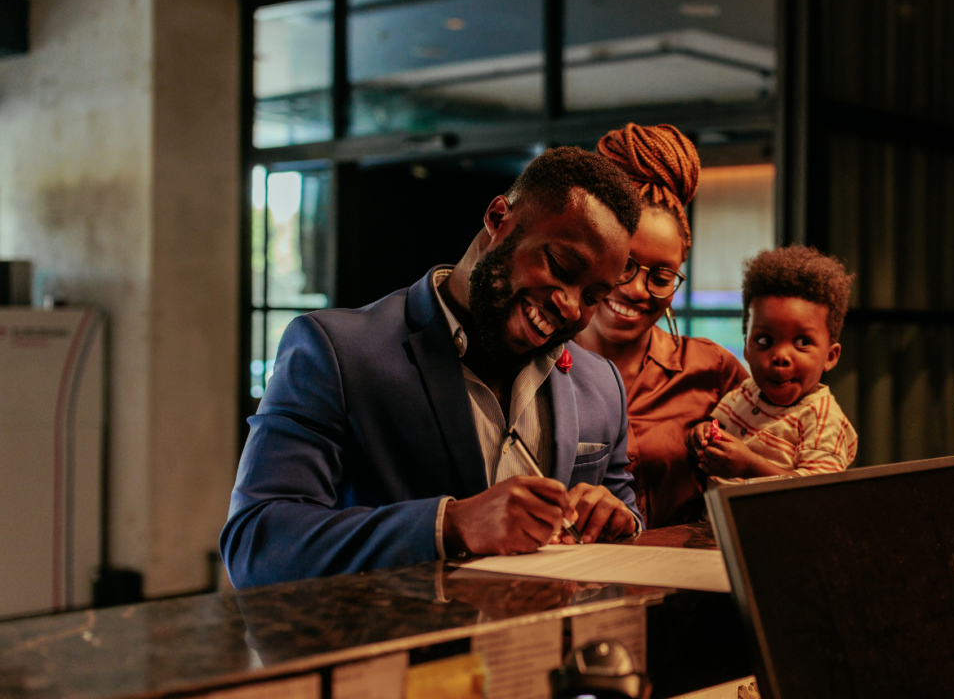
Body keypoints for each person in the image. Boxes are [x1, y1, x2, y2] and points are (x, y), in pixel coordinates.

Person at [222, 147, 647, 589]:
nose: (570, 305)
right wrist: (451, 524)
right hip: (396, 653)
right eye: (561, 266)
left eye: (594, 296)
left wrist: (619, 521)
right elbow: (256, 542)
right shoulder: (335, 351)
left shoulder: (601, 385)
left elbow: (625, 511)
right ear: (499, 217)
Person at [573, 123, 749, 528]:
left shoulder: (713, 371)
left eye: (662, 275)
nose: (637, 289)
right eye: (624, 265)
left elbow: (783, 457)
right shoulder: (536, 369)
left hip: (686, 579)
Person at [689, 246, 858, 484]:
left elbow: (818, 492)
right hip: (715, 519)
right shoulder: (747, 392)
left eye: (802, 342)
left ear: (830, 356)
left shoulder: (822, 422)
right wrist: (702, 433)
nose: (780, 355)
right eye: (764, 340)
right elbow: (716, 424)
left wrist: (749, 465)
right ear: (746, 347)